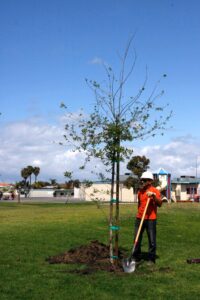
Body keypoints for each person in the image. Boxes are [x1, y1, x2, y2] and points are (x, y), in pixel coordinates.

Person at [132, 171, 162, 265]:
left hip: (151, 219)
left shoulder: (155, 191)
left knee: (152, 240)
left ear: (150, 181)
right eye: (142, 180)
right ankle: (136, 256)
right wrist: (139, 214)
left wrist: (153, 196)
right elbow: (139, 204)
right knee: (136, 238)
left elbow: (160, 204)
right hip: (139, 218)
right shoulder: (140, 192)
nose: (142, 182)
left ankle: (151, 259)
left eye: (144, 180)